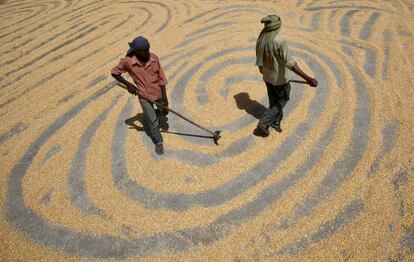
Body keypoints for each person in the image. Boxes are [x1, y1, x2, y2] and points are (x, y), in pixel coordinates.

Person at [255, 15, 318, 136]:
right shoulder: (279, 41)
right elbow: (289, 63)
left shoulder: (262, 37)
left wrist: (262, 72)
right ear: (277, 26)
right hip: (280, 79)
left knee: (273, 99)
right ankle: (264, 122)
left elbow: (259, 58)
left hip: (267, 76)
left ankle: (275, 121)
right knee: (283, 99)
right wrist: (309, 78)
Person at [111, 36, 168, 155]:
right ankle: (158, 141)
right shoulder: (128, 61)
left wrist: (165, 99)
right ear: (137, 52)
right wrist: (128, 85)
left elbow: (161, 78)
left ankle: (157, 113)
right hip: (144, 96)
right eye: (145, 51)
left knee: (164, 112)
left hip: (157, 93)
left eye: (148, 49)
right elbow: (114, 73)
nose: (148, 52)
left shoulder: (154, 58)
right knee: (153, 121)